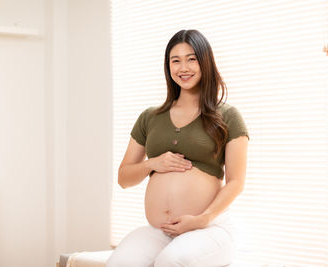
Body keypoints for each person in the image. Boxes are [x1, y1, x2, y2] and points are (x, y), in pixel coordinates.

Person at [106, 29, 249, 267]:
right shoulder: (150, 117)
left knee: (171, 262)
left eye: (191, 59)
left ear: (206, 62)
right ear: (168, 66)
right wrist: (153, 163)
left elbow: (236, 182)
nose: (183, 67)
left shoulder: (227, 115)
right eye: (176, 60)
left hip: (209, 228)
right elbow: (124, 178)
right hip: (160, 231)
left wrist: (203, 219)